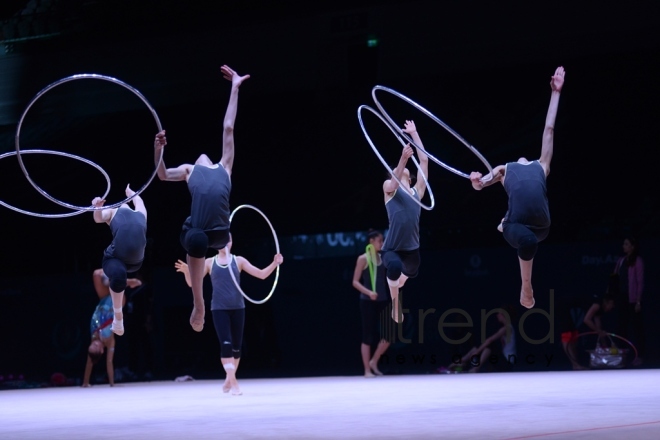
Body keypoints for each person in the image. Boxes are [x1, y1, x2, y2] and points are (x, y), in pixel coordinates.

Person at [155, 65, 250, 333]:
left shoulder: (225, 166)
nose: (202, 155)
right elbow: (160, 174)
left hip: (220, 233)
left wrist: (234, 88)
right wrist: (157, 150)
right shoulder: (188, 171)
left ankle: (199, 300)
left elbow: (229, 127)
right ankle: (199, 303)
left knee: (197, 236)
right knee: (195, 238)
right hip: (201, 235)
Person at [469, 66, 565, 309]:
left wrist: (556, 93)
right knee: (528, 242)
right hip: (519, 228)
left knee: (530, 239)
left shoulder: (542, 165)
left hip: (541, 226)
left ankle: (504, 222)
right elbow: (482, 184)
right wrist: (476, 181)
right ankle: (526, 288)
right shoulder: (505, 169)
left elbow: (549, 130)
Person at [174, 234, 282, 395]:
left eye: (227, 240)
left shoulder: (238, 261)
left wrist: (275, 263)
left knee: (237, 348)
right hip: (219, 309)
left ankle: (228, 380)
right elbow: (192, 283)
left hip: (238, 308)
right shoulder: (210, 262)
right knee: (226, 345)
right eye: (221, 241)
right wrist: (186, 272)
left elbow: (261, 274)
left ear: (231, 242)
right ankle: (234, 383)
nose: (224, 243)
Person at [382, 120, 429, 323]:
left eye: (404, 169)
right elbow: (393, 180)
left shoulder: (417, 191)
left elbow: (424, 161)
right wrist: (402, 159)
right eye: (398, 170)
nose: (402, 170)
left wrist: (414, 133)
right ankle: (396, 305)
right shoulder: (389, 189)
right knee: (393, 268)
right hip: (392, 248)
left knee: (410, 272)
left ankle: (400, 280)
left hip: (412, 250)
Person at [91, 184, 147, 336]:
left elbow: (139, 201)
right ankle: (118, 318)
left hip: (136, 262)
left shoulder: (141, 212)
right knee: (119, 275)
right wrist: (97, 207)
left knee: (122, 273)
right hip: (114, 259)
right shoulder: (113, 211)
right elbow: (98, 219)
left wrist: (131, 192)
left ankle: (118, 316)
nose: (124, 201)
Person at [82, 269, 141, 387]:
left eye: (91, 345)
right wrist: (112, 384)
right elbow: (109, 362)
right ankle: (125, 282)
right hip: (116, 304)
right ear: (101, 350)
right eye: (96, 347)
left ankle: (113, 277)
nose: (94, 344)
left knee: (96, 274)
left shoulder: (94, 337)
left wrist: (85, 382)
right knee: (115, 284)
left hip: (103, 301)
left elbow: (89, 363)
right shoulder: (109, 341)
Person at [352, 229, 391, 377]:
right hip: (368, 301)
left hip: (382, 299)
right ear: (371, 242)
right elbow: (355, 282)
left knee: (390, 334)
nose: (382, 243)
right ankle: (367, 370)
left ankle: (374, 361)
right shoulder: (363, 258)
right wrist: (369, 292)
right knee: (367, 336)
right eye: (379, 241)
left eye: (382, 240)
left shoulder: (383, 257)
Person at [558, 292, 615, 370]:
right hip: (564, 306)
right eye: (612, 304)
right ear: (607, 302)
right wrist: (599, 331)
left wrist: (603, 342)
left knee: (574, 336)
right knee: (567, 335)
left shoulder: (600, 308)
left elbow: (598, 324)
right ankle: (575, 365)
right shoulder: (597, 304)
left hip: (570, 309)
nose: (611, 307)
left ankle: (576, 364)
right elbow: (586, 320)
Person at [450, 306, 517, 373]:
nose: (497, 315)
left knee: (490, 345)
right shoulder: (507, 327)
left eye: (499, 314)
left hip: (508, 364)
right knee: (480, 347)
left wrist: (478, 351)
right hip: (505, 361)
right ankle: (459, 363)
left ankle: (474, 368)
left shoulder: (507, 328)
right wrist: (477, 350)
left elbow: (490, 340)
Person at [613, 236, 645, 365]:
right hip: (622, 298)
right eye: (623, 244)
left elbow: (640, 282)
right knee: (621, 328)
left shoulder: (638, 261)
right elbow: (614, 278)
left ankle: (640, 356)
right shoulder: (621, 261)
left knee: (637, 328)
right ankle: (622, 356)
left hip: (633, 299)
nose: (623, 246)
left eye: (626, 244)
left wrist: (638, 301)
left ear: (632, 246)